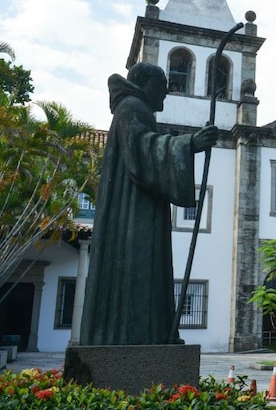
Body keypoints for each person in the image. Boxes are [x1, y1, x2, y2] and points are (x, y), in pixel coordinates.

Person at [79, 62, 218, 346]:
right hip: (133, 213)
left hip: (139, 208)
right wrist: (189, 143)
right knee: (140, 269)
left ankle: (149, 333)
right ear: (145, 84)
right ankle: (140, 335)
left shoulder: (135, 108)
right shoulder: (132, 107)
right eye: (161, 88)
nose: (165, 96)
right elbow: (142, 149)